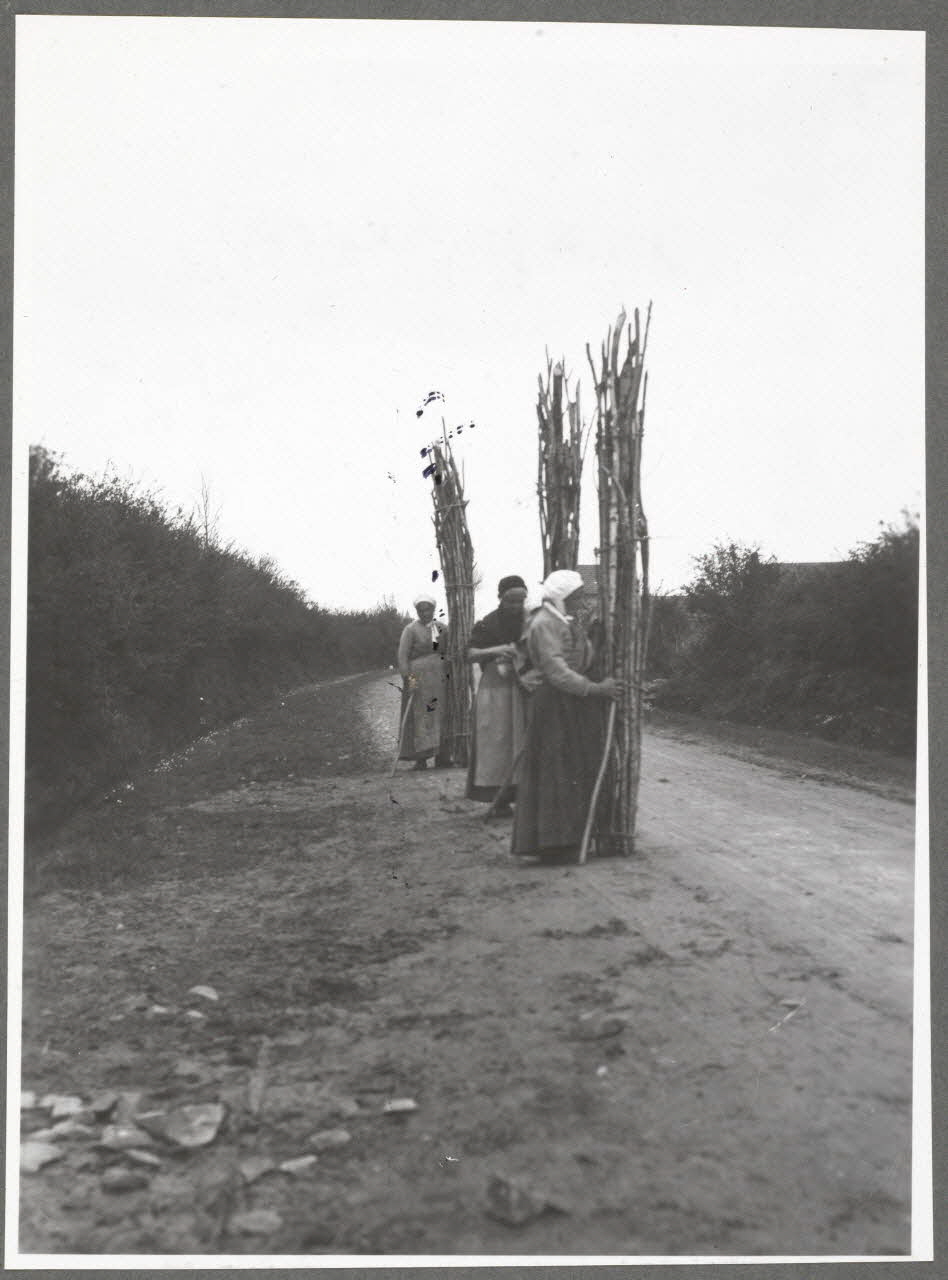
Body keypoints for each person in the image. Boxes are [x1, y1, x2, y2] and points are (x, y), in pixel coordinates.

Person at [511, 569, 622, 861]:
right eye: (578, 597)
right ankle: (553, 843)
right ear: (564, 597)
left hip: (570, 704)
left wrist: (593, 642)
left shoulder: (562, 621)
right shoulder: (544, 623)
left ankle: (568, 839)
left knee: (570, 769)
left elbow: (576, 659)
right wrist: (595, 689)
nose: (582, 602)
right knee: (556, 770)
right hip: (555, 705)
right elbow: (557, 672)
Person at [465, 575, 529, 814]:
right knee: (497, 742)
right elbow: (470, 654)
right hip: (495, 689)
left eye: (521, 600)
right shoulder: (488, 624)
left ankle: (523, 797)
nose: (516, 606)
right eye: (511, 600)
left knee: (521, 741)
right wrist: (498, 650)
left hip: (524, 686)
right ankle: (498, 799)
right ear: (500, 598)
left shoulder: (530, 620)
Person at [396, 593, 449, 770]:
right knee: (421, 715)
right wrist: (410, 681)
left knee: (440, 713)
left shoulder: (441, 628)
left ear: (434, 610)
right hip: (418, 677)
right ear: (417, 611)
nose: (425, 612)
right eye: (421, 609)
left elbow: (448, 650)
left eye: (428, 609)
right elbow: (402, 657)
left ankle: (442, 756)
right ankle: (421, 759)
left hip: (439, 677)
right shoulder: (410, 630)